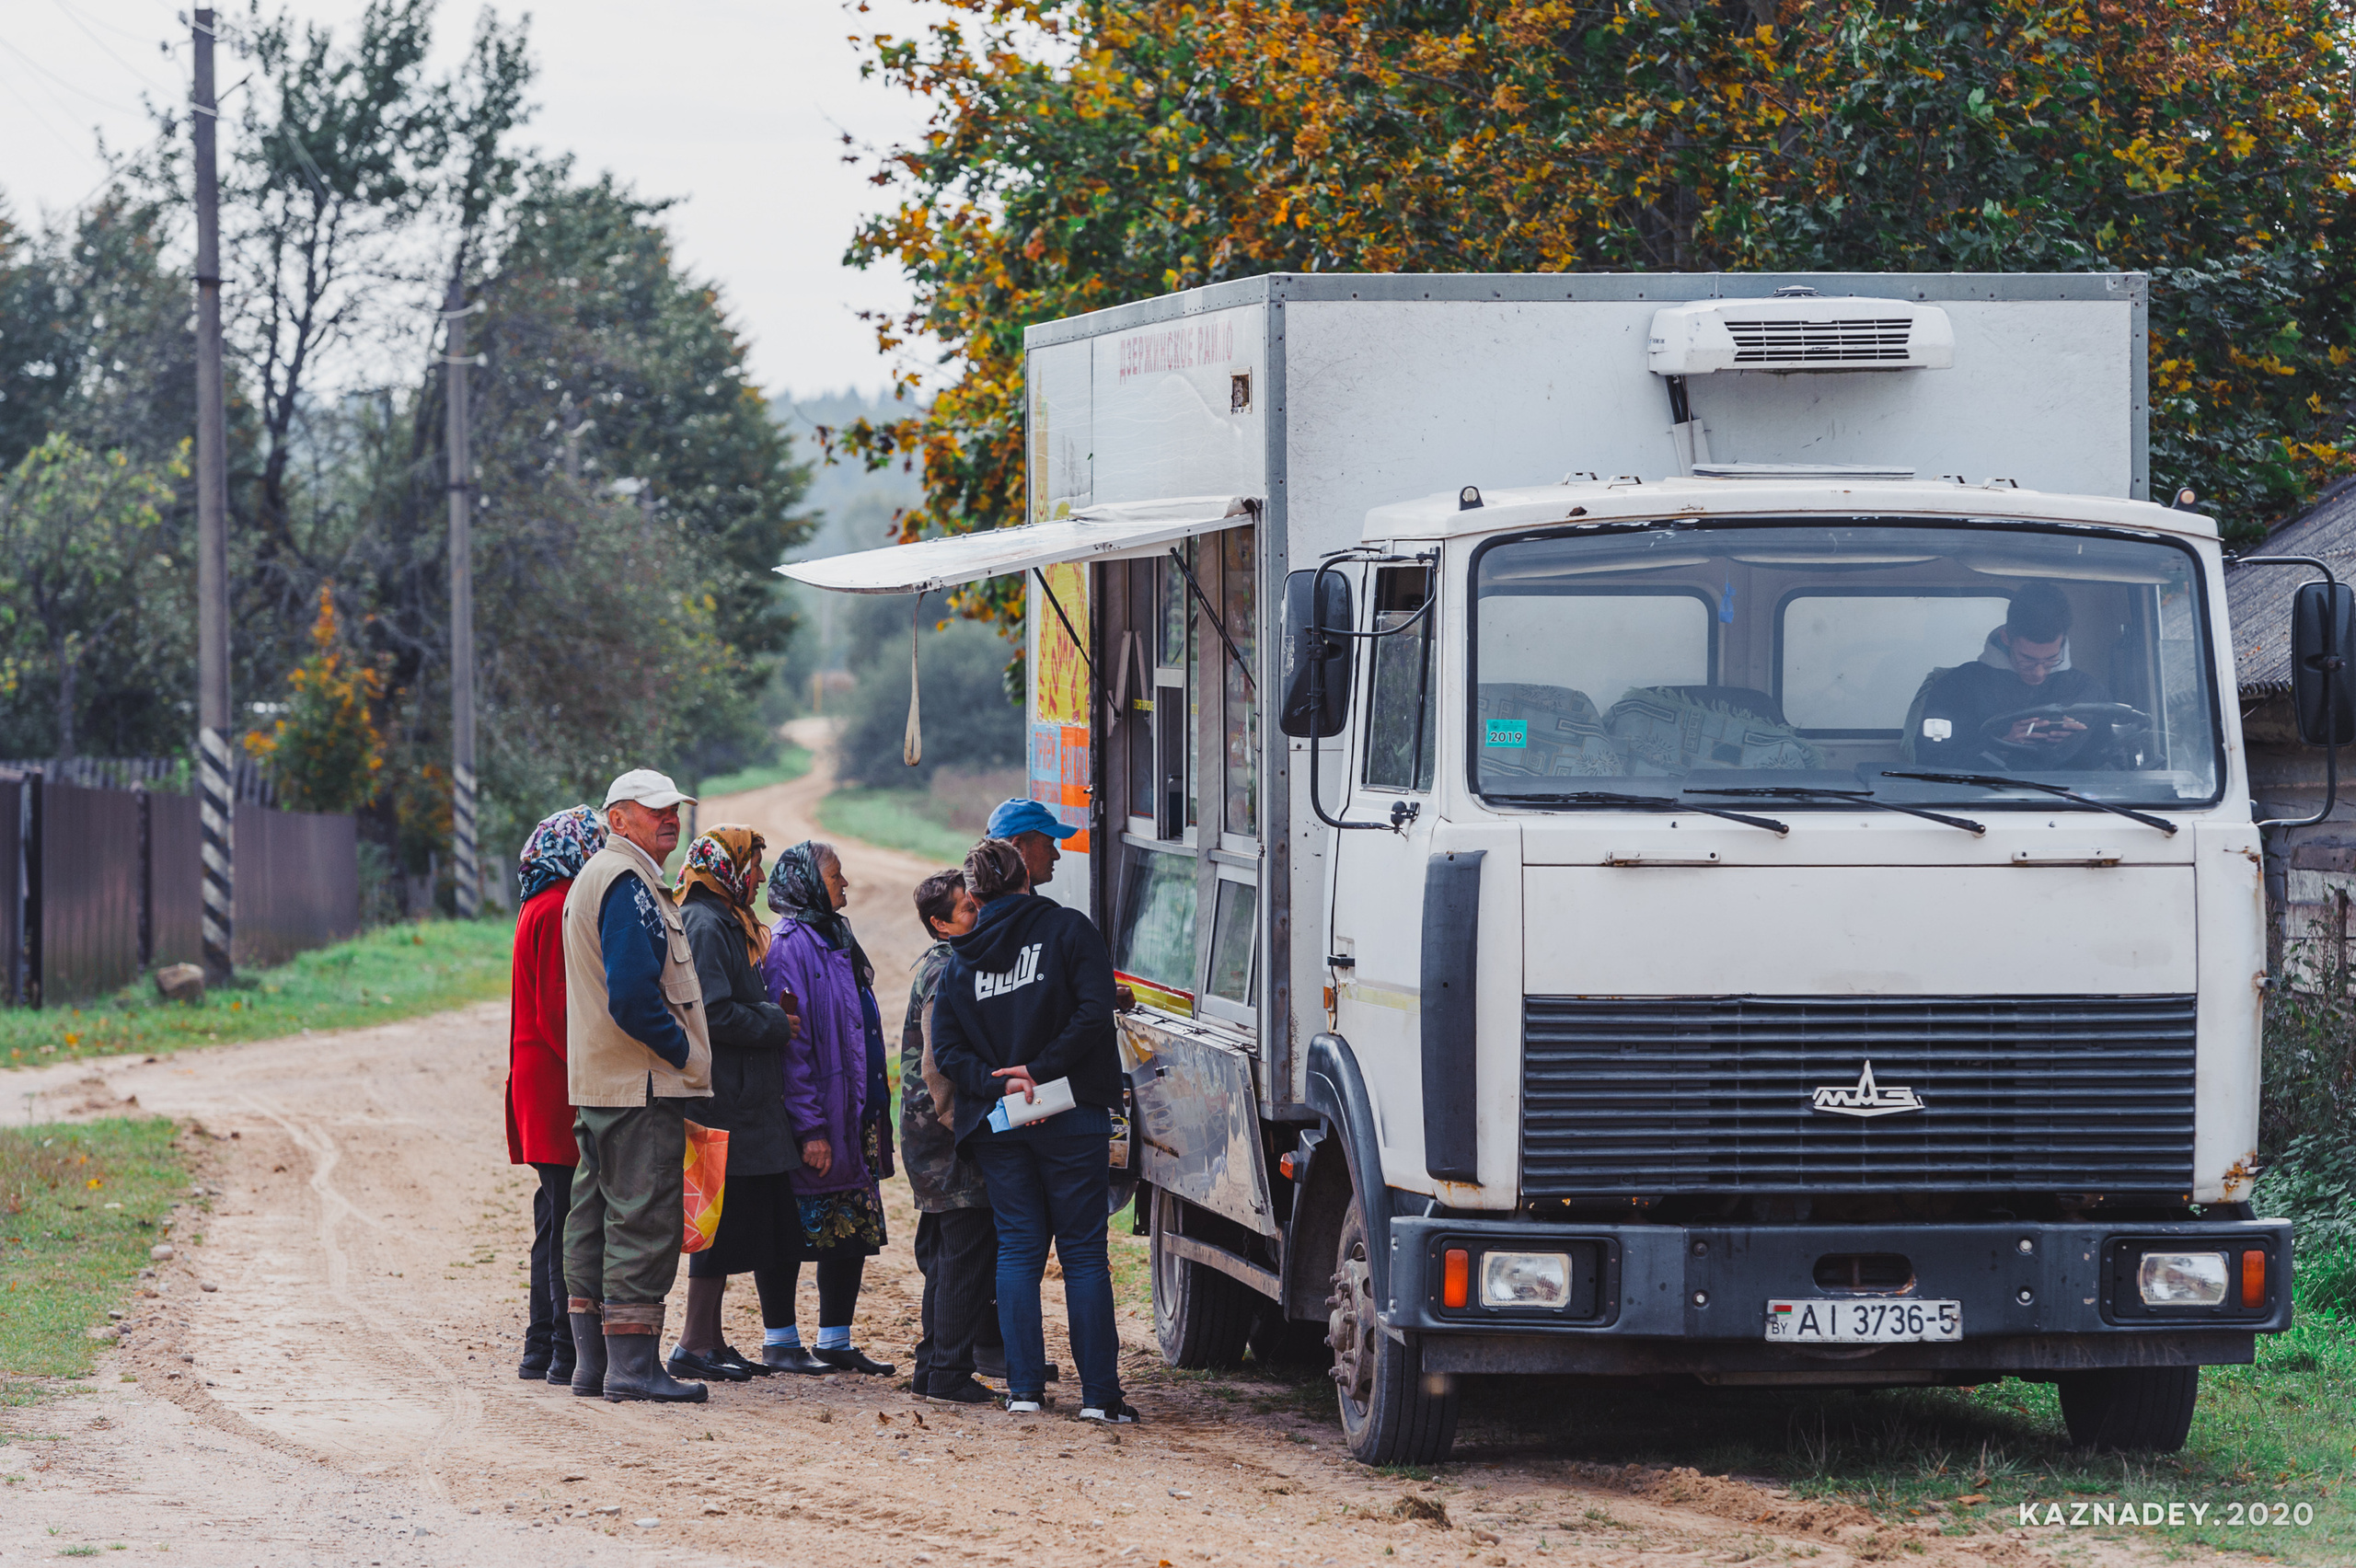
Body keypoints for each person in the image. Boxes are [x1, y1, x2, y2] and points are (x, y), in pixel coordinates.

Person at [931, 837, 1138, 1423]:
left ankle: (1024, 1391)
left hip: (1001, 1124)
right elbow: (1094, 1011)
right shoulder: (1071, 931)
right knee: (1084, 1254)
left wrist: (1003, 1084)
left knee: (1019, 1249)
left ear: (972, 895)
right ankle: (1100, 1398)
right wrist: (1041, 1073)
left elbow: (946, 1050)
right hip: (1075, 1114)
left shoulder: (960, 959)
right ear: (1028, 877)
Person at [560, 767, 713, 1404]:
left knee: (592, 1218)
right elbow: (632, 996)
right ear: (617, 820)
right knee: (642, 1220)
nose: (669, 818)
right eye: (653, 810)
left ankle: (592, 1366)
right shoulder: (627, 882)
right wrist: (681, 1051)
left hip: (603, 1083)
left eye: (673, 808)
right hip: (641, 1082)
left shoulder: (598, 876)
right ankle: (633, 1368)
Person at [666, 824, 814, 1383]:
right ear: (727, 866)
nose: (758, 879)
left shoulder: (726, 919)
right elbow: (709, 1014)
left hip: (740, 1101)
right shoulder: (706, 923)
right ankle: (692, 1344)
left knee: (728, 1227)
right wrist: (774, 1022)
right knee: (714, 1228)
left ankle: (710, 1339)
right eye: (752, 866)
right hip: (721, 1104)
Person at [760, 840, 896, 1376]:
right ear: (809, 883)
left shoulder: (836, 935)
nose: (845, 884)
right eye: (836, 875)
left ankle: (835, 1339)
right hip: (818, 1113)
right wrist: (810, 1127)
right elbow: (792, 1049)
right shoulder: (790, 946)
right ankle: (781, 1339)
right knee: (791, 1227)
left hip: (852, 1111)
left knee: (851, 1226)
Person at [504, 803, 606, 1386]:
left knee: (554, 1213)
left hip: (542, 1079)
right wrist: (598, 1067)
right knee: (569, 1215)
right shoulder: (558, 906)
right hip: (557, 1084)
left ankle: (542, 1347)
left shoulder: (538, 902)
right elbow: (559, 1010)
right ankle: (562, 1349)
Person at [902, 869, 1000, 1404]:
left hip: (933, 1135)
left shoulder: (944, 962)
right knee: (963, 1253)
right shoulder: (949, 969)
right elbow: (940, 1066)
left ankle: (933, 1367)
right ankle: (947, 1374)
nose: (977, 913)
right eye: (966, 909)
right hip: (946, 1136)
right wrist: (965, 1128)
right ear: (940, 924)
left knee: (944, 1256)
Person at [1913, 582, 2111, 767]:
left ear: (2063, 641)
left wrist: (2081, 741)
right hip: (1978, 801)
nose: (2039, 672)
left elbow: (2115, 763)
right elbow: (1929, 761)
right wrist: (2001, 745)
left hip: (2073, 802)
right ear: (2006, 638)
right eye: (2028, 659)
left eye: (2051, 659)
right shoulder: (1956, 687)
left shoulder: (2090, 692)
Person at [985, 798, 1076, 894]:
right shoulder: (1020, 906)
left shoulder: (985, 897)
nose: (1056, 856)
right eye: (1048, 845)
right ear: (1017, 848)